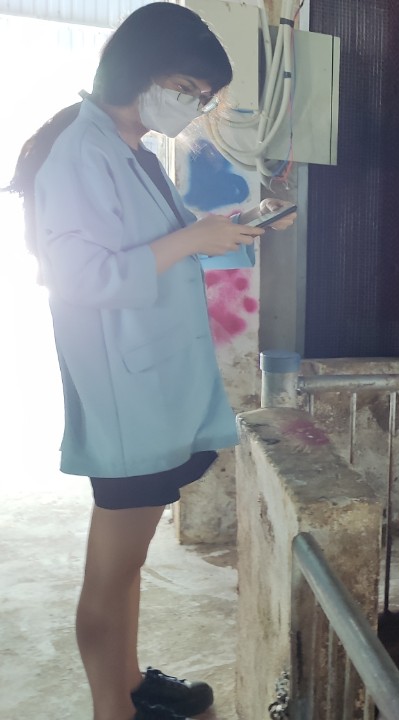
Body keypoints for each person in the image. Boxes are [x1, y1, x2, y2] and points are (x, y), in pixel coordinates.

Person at [6, 5, 294, 719]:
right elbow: (81, 277)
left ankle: (131, 682)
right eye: (187, 88)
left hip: (151, 381)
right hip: (125, 391)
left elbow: (160, 247)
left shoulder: (128, 148)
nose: (194, 105)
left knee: (130, 560)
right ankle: (113, 709)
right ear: (138, 71)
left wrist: (226, 232)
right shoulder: (80, 152)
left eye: (203, 95)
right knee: (110, 572)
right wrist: (194, 237)